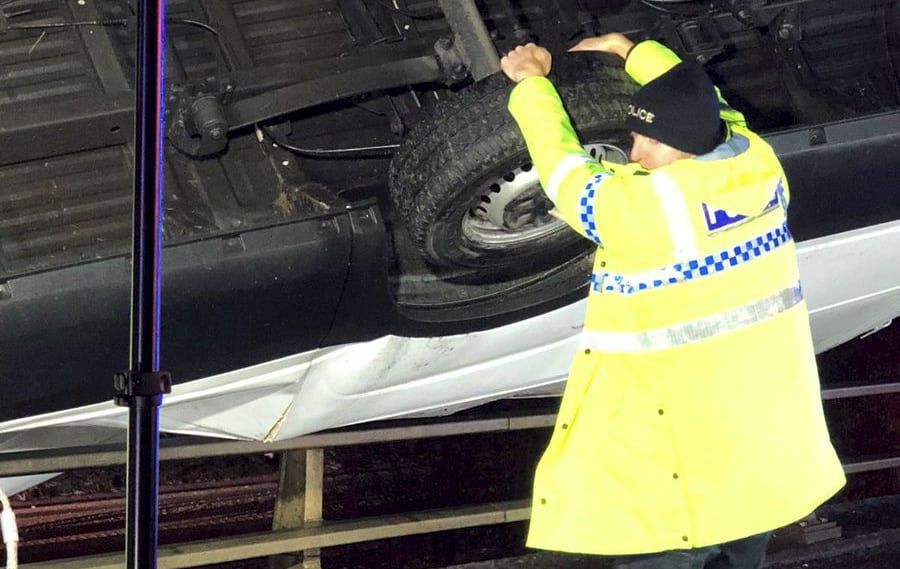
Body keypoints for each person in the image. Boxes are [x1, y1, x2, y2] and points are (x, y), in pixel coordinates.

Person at [499, 33, 846, 569]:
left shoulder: (650, 213)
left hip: (680, 486)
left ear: (684, 149)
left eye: (647, 143)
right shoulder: (757, 164)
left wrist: (531, 85)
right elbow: (714, 106)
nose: (634, 153)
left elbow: (564, 171)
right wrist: (633, 52)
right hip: (758, 470)